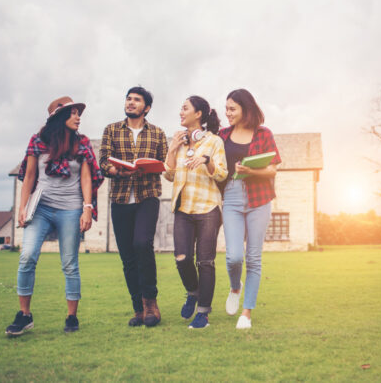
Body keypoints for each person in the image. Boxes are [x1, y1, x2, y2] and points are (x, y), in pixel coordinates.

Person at [6, 96, 103, 336]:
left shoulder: (82, 143)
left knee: (70, 263)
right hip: (41, 207)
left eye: (79, 113)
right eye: (73, 113)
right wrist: (22, 207)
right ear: (59, 117)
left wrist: (87, 207)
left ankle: (72, 317)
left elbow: (86, 177)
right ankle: (24, 315)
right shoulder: (38, 141)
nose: (78, 117)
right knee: (27, 256)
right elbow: (29, 176)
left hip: (70, 208)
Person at [99, 87, 168, 327]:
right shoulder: (111, 130)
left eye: (137, 100)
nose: (131, 102)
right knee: (127, 256)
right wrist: (115, 170)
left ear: (146, 107)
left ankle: (151, 303)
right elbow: (103, 162)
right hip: (120, 199)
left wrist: (151, 166)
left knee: (142, 244)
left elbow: (165, 164)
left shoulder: (158, 133)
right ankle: (138, 309)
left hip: (147, 196)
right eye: (128, 99)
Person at [218, 89, 281, 329]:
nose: (228, 113)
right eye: (226, 109)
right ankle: (235, 286)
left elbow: (273, 169)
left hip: (259, 198)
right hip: (231, 196)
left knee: (253, 258)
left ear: (246, 108)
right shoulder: (222, 135)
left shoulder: (264, 134)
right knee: (234, 257)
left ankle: (247, 313)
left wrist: (250, 171)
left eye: (232, 108)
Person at [164, 96, 227, 329]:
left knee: (205, 261)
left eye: (185, 108)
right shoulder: (178, 140)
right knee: (181, 258)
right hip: (183, 208)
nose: (181, 112)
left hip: (208, 207)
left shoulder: (214, 142)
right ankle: (192, 291)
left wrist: (206, 160)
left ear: (198, 114)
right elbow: (169, 175)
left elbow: (221, 173)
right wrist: (172, 148)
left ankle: (203, 313)